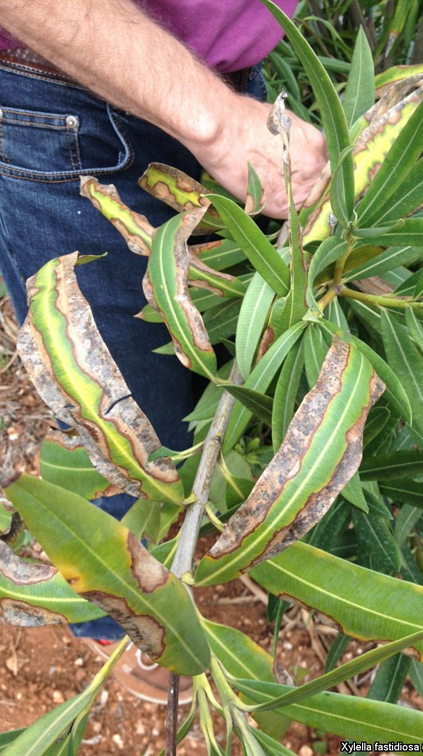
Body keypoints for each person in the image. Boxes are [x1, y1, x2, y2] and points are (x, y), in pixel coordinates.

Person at [0, 0, 328, 703]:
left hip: (219, 89)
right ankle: (123, 628)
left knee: (215, 359)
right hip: (70, 100)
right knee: (122, 427)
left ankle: (180, 560)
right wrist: (211, 121)